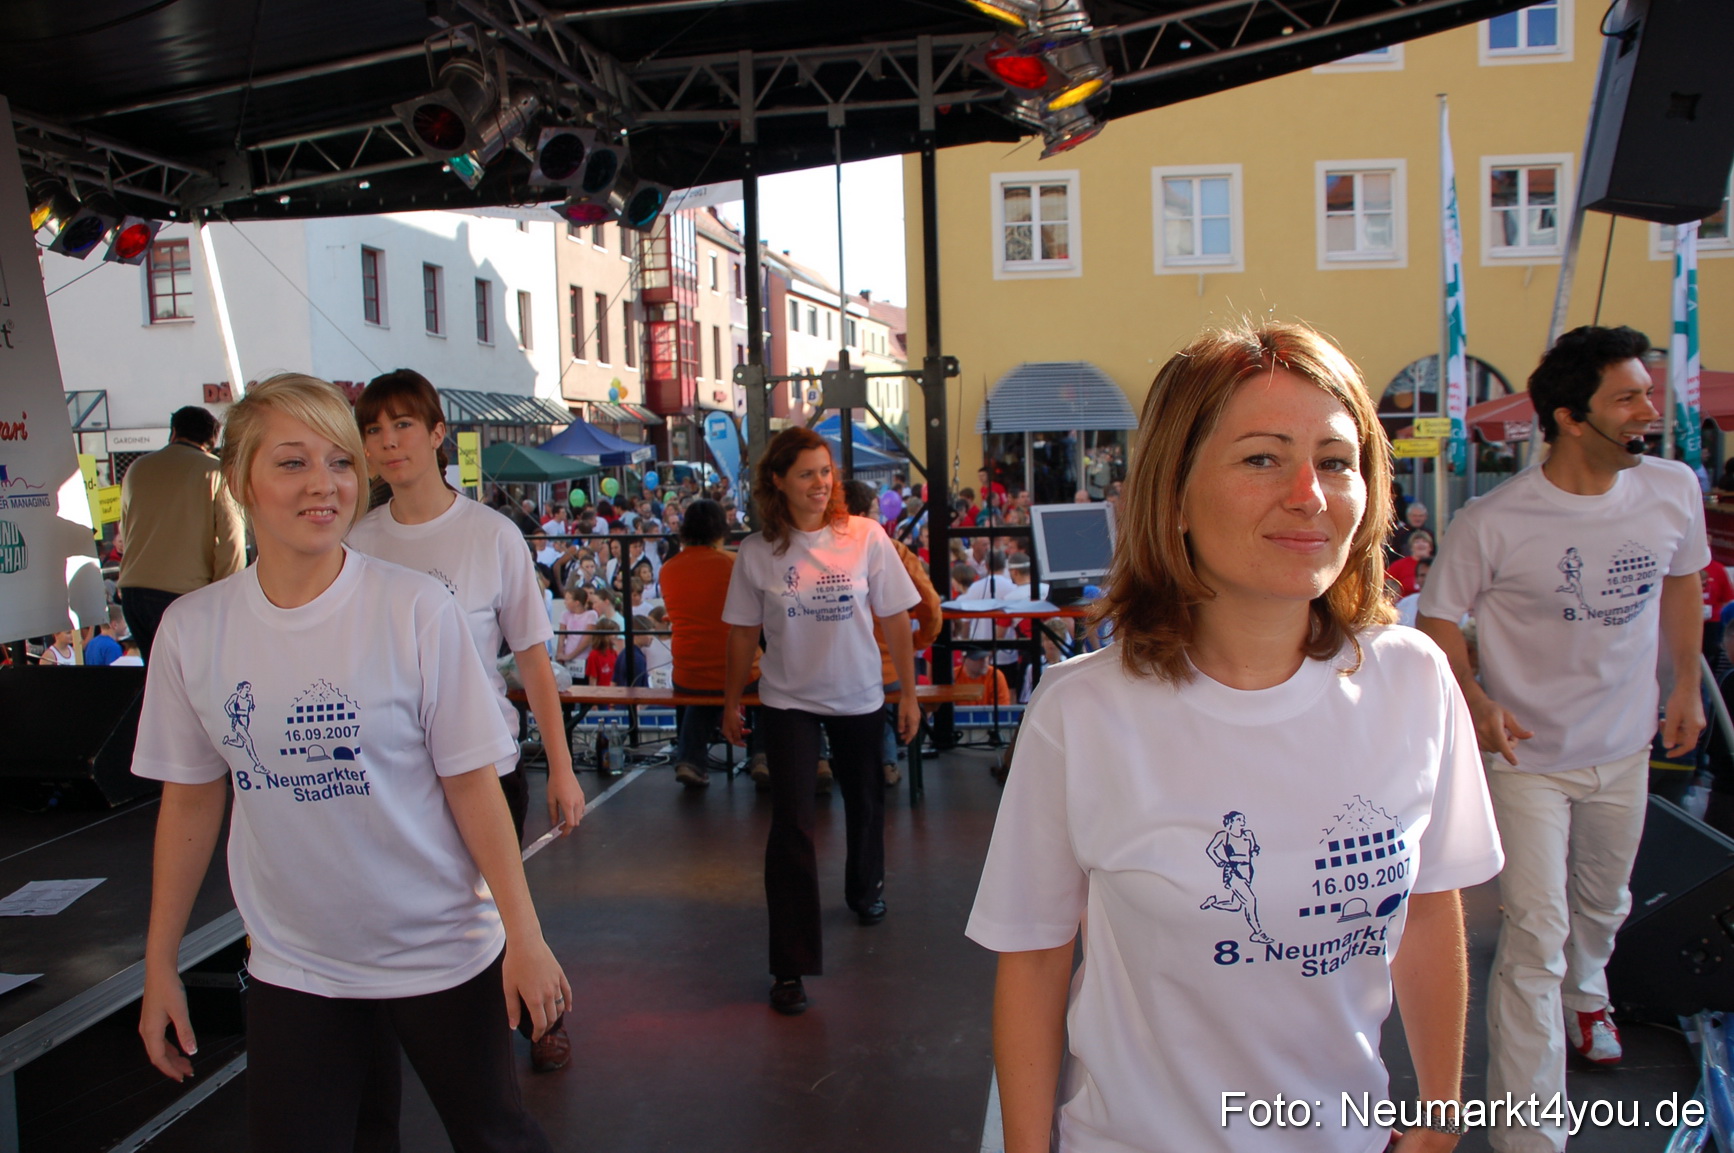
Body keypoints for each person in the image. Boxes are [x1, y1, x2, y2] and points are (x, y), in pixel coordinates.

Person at [970, 322, 1502, 1153]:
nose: (1310, 493)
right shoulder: (1081, 713)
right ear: (1174, 495)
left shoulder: (1415, 680)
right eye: (1262, 457)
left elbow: (1430, 910)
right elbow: (1036, 960)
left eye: (1335, 460)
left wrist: (1439, 1116)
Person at [132, 375, 566, 1153]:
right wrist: (159, 961)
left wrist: (523, 935)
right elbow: (191, 799)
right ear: (240, 479)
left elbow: (473, 784)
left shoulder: (412, 607)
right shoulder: (194, 630)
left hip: (437, 946)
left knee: (495, 1133)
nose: (324, 484)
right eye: (292, 462)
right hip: (295, 960)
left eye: (338, 460)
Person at [1418, 325, 1707, 1153]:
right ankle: (1530, 1133)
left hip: (1625, 746)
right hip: (1527, 761)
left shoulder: (1673, 489)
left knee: (1603, 906)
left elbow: (1682, 581)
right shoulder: (1494, 520)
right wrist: (1477, 701)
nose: (1649, 409)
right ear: (1572, 418)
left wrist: (1684, 681)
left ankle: (1591, 990)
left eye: (1647, 393)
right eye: (1629, 397)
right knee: (1534, 937)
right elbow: (1439, 618)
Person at [347, 369, 583, 1074]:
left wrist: (563, 767)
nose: (388, 443)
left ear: (438, 434)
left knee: (501, 903)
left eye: (403, 426)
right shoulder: (357, 541)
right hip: (394, 769)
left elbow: (534, 659)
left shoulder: (491, 535)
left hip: (483, 762)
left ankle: (542, 1016)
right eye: (374, 429)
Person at [721, 427, 920, 1016]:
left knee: (866, 804)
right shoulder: (758, 553)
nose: (819, 483)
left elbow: (898, 620)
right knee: (792, 829)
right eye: (806, 472)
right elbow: (740, 634)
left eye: (826, 471)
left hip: (860, 696)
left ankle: (866, 890)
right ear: (777, 481)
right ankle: (790, 966)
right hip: (788, 703)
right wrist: (731, 701)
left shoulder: (866, 537)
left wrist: (907, 693)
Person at [117, 405, 247, 659]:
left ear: (174, 432)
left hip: (134, 590)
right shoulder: (215, 472)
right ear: (212, 440)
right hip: (184, 595)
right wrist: (223, 594)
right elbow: (232, 541)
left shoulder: (137, 468)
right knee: (190, 681)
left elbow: (125, 528)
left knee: (154, 678)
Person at [843, 479, 942, 788]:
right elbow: (931, 606)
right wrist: (919, 641)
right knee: (884, 692)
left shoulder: (821, 553)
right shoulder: (894, 550)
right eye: (875, 510)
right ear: (864, 513)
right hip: (887, 669)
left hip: (836, 670)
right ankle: (886, 762)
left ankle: (820, 760)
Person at [659, 499, 763, 790]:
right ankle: (762, 755)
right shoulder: (733, 563)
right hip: (740, 675)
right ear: (722, 528)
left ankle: (690, 759)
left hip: (687, 674)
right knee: (770, 684)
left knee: (700, 694)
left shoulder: (668, 569)